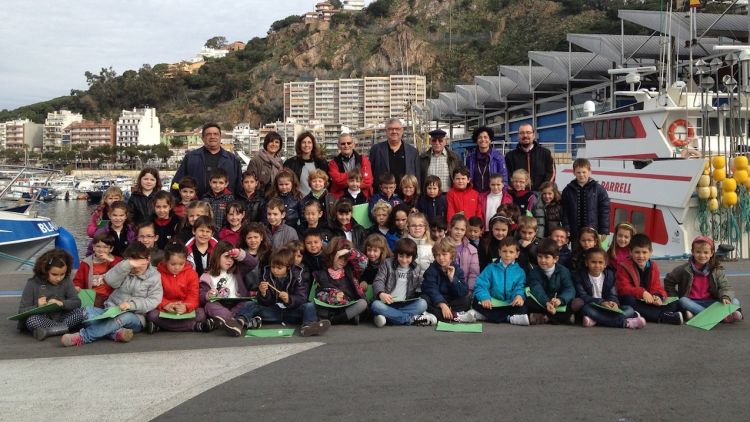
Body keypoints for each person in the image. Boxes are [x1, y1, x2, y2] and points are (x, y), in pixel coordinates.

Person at [61, 242, 163, 347]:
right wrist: (126, 266)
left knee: (125, 317)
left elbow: (153, 300)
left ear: (148, 259)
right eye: (132, 263)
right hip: (110, 310)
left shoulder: (154, 277)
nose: (136, 267)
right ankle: (116, 333)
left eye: (140, 262)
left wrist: (131, 305)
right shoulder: (125, 268)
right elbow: (109, 281)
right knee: (87, 311)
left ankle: (83, 337)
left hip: (136, 317)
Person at [237, 247, 331, 337]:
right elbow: (264, 302)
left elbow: (302, 298)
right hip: (273, 311)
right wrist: (263, 293)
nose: (275, 270)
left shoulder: (297, 276)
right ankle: (239, 323)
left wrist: (289, 299)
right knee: (250, 304)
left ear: (288, 267)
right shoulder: (266, 275)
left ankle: (308, 326)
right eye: (273, 267)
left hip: (291, 312)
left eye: (279, 268)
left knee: (309, 306)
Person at [664, 236, 743, 322]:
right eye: (698, 252)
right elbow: (668, 281)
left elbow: (725, 286)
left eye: (706, 252)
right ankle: (719, 316)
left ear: (712, 253)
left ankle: (698, 314)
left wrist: (725, 297)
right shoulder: (683, 269)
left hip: (711, 302)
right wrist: (674, 297)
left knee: (735, 301)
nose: (702, 255)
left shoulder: (716, 269)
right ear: (692, 252)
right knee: (682, 301)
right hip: (692, 302)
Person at [456, 237, 529, 325]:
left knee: (523, 307)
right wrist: (484, 297)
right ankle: (509, 318)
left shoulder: (520, 272)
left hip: (509, 303)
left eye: (511, 252)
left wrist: (519, 296)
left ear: (517, 254)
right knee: (476, 301)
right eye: (504, 251)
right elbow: (481, 285)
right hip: (492, 303)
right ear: (499, 252)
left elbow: (520, 287)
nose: (507, 255)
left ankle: (483, 316)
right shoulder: (491, 268)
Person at [616, 234, 683, 324]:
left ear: (650, 252)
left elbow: (657, 286)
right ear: (630, 252)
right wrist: (642, 293)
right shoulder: (624, 266)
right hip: (636, 300)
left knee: (675, 302)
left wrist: (657, 296)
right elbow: (623, 289)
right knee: (628, 300)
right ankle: (663, 317)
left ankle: (646, 314)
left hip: (649, 302)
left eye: (644, 252)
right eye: (637, 252)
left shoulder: (653, 266)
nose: (641, 256)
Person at [570, 247, 645, 329]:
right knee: (586, 309)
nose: (597, 265)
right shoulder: (580, 276)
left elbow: (613, 294)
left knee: (629, 309)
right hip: (592, 306)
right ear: (586, 263)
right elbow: (583, 296)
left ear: (605, 264)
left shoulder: (610, 276)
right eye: (593, 262)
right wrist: (601, 302)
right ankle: (626, 323)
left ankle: (596, 320)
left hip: (607, 308)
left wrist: (613, 302)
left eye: (600, 262)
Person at [146, 244, 214, 333]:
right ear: (166, 261)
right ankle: (195, 326)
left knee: (201, 313)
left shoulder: (191, 274)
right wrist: (166, 305)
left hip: (185, 310)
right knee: (152, 314)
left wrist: (185, 306)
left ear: (186, 261)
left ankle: (161, 326)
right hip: (165, 309)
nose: (177, 267)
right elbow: (155, 295)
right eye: (173, 264)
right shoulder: (157, 274)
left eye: (181, 264)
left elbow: (193, 296)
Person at [18, 249, 84, 341]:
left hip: (62, 317)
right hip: (42, 318)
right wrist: (38, 306)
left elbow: (77, 302)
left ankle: (50, 331)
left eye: (62, 274)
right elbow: (21, 311)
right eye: (54, 274)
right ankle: (65, 329)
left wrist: (62, 303)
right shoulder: (32, 284)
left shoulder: (66, 280)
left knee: (83, 312)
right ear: (44, 270)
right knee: (31, 320)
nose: (59, 278)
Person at [370, 238, 435, 327]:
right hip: (387, 304)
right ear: (396, 255)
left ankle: (389, 317)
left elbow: (421, 285)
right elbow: (378, 280)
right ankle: (411, 320)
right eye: (401, 256)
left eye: (408, 257)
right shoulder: (387, 263)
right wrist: (381, 294)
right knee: (375, 305)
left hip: (404, 304)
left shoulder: (416, 268)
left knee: (423, 303)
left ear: (413, 257)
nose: (404, 260)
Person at [199, 241, 258, 336]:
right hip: (220, 304)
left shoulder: (237, 270)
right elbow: (201, 296)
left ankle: (228, 323)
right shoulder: (206, 275)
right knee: (209, 306)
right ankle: (238, 322)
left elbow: (253, 263)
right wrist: (207, 295)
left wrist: (239, 254)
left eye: (232, 258)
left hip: (237, 303)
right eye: (226, 257)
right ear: (217, 257)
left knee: (250, 303)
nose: (230, 260)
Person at [172, 123, 243, 199]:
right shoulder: (191, 158)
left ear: (220, 137)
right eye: (208, 134)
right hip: (196, 206)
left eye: (215, 134)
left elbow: (239, 187)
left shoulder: (232, 160)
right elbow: (177, 183)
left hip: (225, 207)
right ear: (202, 138)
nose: (212, 137)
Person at [313, 237, 369, 325]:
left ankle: (334, 321)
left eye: (346, 259)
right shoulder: (322, 273)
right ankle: (349, 319)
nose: (343, 262)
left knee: (362, 304)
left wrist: (350, 252)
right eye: (340, 258)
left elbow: (364, 262)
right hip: (331, 307)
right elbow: (318, 295)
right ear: (332, 255)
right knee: (316, 308)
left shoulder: (351, 270)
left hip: (348, 304)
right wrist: (333, 296)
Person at [524, 238, 576, 325]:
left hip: (558, 303)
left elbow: (569, 289)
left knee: (575, 303)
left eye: (547, 257)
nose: (543, 260)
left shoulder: (563, 271)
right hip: (543, 302)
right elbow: (537, 290)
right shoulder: (534, 272)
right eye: (540, 257)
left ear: (555, 259)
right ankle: (560, 318)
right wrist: (546, 303)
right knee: (527, 301)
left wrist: (560, 300)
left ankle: (545, 318)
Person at [561, 158, 610, 243]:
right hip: (575, 233)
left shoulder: (599, 189)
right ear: (574, 172)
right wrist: (566, 228)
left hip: (592, 233)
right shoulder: (568, 190)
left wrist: (603, 231)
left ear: (590, 171)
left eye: (584, 172)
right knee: (576, 254)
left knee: (591, 255)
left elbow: (604, 211)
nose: (581, 175)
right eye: (578, 172)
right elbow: (565, 212)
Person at [421, 238, 469, 321]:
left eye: (444, 254)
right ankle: (454, 315)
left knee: (467, 300)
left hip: (451, 301)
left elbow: (462, 292)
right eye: (437, 255)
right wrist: (442, 304)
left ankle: (443, 315)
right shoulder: (431, 270)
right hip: (436, 302)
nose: (441, 258)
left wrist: (453, 279)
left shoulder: (457, 270)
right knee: (424, 299)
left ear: (451, 255)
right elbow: (431, 289)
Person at [369, 118, 420, 193]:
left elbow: (417, 176)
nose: (394, 131)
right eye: (390, 129)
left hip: (406, 196)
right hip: (383, 197)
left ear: (402, 131)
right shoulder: (376, 150)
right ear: (386, 131)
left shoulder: (412, 152)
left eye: (397, 129)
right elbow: (371, 174)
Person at [74, 232, 122, 308]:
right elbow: (78, 280)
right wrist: (77, 286)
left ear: (111, 249)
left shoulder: (117, 261)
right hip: (92, 296)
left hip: (111, 296)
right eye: (98, 246)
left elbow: (121, 272)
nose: (101, 250)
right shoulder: (86, 263)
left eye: (105, 247)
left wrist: (109, 260)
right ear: (93, 247)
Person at [504, 123, 555, 192]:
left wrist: (543, 191)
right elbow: (506, 176)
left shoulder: (546, 153)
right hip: (518, 197)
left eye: (528, 132)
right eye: (522, 133)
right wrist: (516, 192)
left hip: (540, 197)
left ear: (533, 135)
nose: (525, 135)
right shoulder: (510, 156)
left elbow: (551, 173)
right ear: (518, 136)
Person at [283, 131, 328, 196]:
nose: (306, 145)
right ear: (299, 144)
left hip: (318, 200)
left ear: (313, 144)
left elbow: (326, 183)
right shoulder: (290, 163)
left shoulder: (321, 162)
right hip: (298, 201)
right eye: (303, 142)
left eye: (309, 142)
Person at [328, 133, 373, 199]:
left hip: (362, 198)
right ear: (338, 146)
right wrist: (358, 177)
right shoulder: (333, 163)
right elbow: (337, 182)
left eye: (349, 143)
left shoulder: (363, 160)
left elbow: (368, 181)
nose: (346, 146)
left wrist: (343, 177)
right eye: (343, 144)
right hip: (341, 199)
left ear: (353, 145)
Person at [465, 126, 508, 194]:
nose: (483, 139)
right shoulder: (470, 158)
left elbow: (504, 178)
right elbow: (467, 178)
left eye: (485, 137)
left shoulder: (498, 157)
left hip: (492, 195)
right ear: (476, 140)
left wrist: (503, 195)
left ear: (490, 140)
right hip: (475, 195)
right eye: (480, 137)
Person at [447, 214, 479, 295]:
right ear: (450, 228)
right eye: (456, 229)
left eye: (462, 230)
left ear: (465, 231)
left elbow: (474, 273)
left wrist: (469, 290)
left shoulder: (472, 249)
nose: (459, 232)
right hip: (446, 288)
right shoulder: (442, 245)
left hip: (464, 289)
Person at [420, 129, 459, 193]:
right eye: (434, 140)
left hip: (448, 196)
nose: (437, 143)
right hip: (429, 196)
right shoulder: (423, 158)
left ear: (445, 141)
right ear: (430, 141)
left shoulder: (454, 158)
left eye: (440, 140)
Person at [246, 131, 284, 196]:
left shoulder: (279, 162)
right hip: (259, 198)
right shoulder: (255, 161)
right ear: (266, 143)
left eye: (277, 142)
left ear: (280, 145)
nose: (274, 144)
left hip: (276, 198)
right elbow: (249, 182)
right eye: (271, 141)